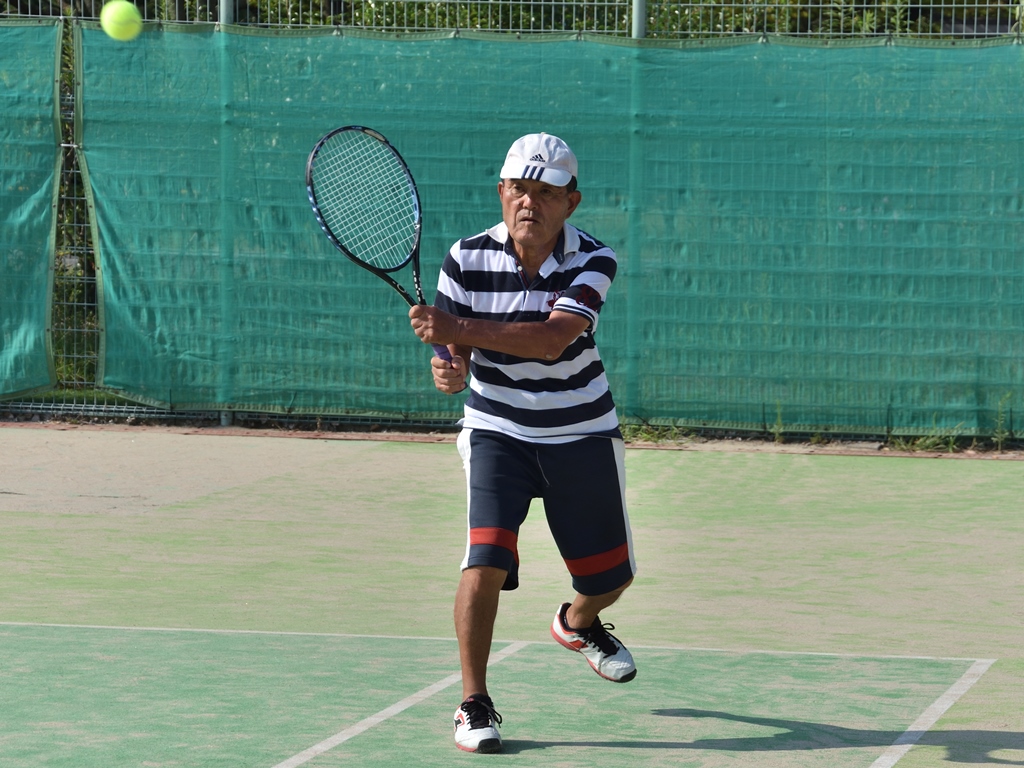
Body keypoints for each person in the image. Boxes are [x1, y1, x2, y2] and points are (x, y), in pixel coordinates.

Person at [408, 133, 637, 754]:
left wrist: (456, 328)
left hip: (581, 430)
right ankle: (473, 702)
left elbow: (552, 340)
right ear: (502, 192)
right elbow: (453, 351)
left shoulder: (594, 259)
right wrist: (449, 365)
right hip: (497, 430)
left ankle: (577, 622)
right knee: (483, 560)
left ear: (571, 202)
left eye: (545, 192)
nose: (529, 202)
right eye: (518, 189)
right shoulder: (465, 258)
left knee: (612, 576)